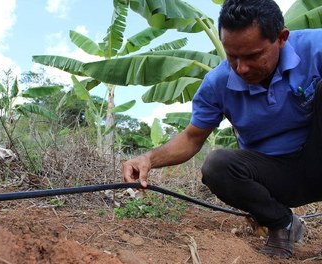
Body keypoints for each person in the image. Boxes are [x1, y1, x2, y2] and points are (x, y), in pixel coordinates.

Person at [122, 0, 322, 259]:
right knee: (217, 165)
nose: (242, 68)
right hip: (274, 178)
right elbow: (192, 138)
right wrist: (148, 158)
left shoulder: (315, 48)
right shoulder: (217, 84)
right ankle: (281, 223)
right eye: (232, 57)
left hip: (317, 158)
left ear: (282, 38)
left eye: (252, 56)